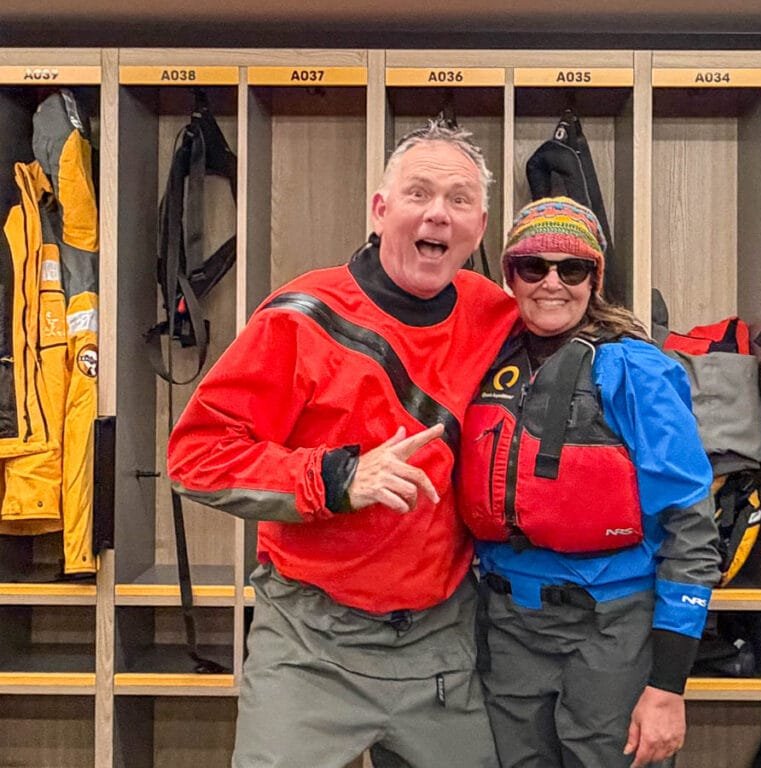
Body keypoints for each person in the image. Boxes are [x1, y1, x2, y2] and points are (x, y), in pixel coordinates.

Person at [166, 122, 519, 768]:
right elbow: (196, 455)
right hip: (310, 645)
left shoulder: (496, 314)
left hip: (441, 646)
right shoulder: (301, 318)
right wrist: (335, 479)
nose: (438, 212)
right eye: (418, 193)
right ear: (381, 211)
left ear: (479, 226)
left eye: (459, 199)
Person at [457, 197, 720, 768]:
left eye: (571, 268)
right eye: (533, 267)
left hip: (610, 634)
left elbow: (691, 532)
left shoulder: (636, 370)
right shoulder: (480, 361)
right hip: (506, 632)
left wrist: (668, 687)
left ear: (594, 280)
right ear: (510, 276)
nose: (552, 283)